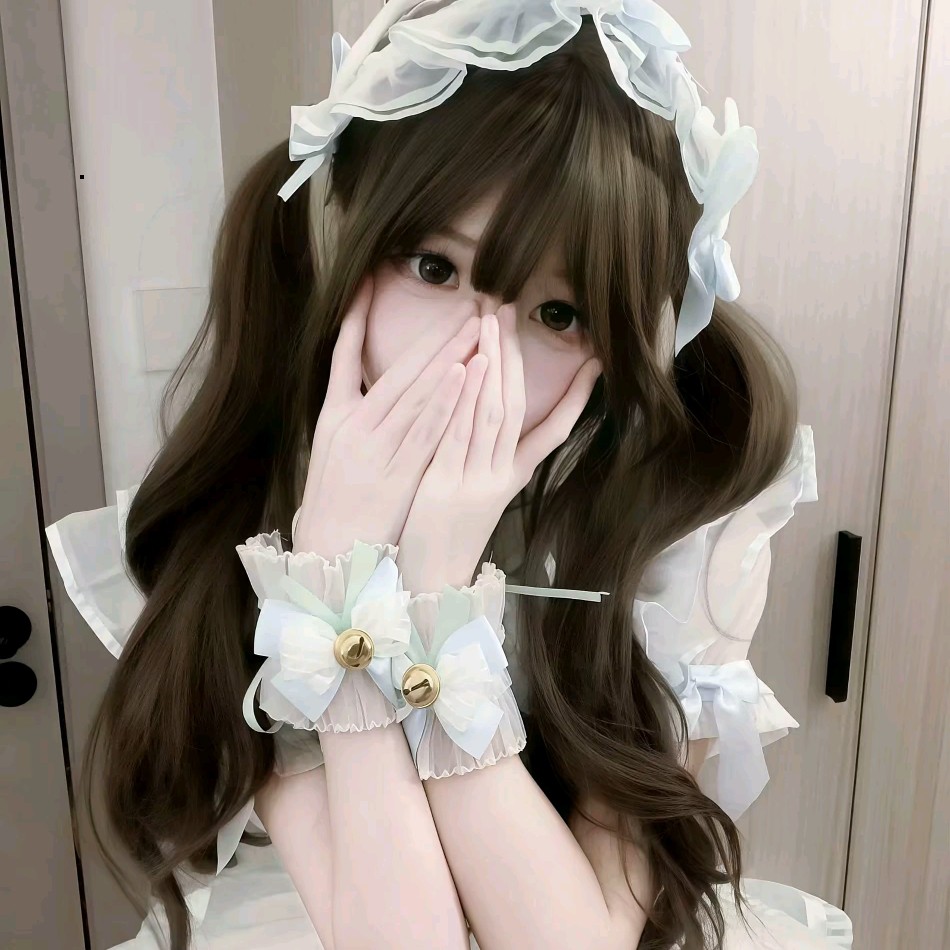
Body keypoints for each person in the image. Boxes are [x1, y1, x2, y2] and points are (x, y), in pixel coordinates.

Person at [45, 2, 855, 948]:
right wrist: (337, 582)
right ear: (349, 242)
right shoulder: (265, 508)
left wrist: (438, 594)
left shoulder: (675, 519)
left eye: (559, 315)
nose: (478, 358)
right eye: (435, 267)